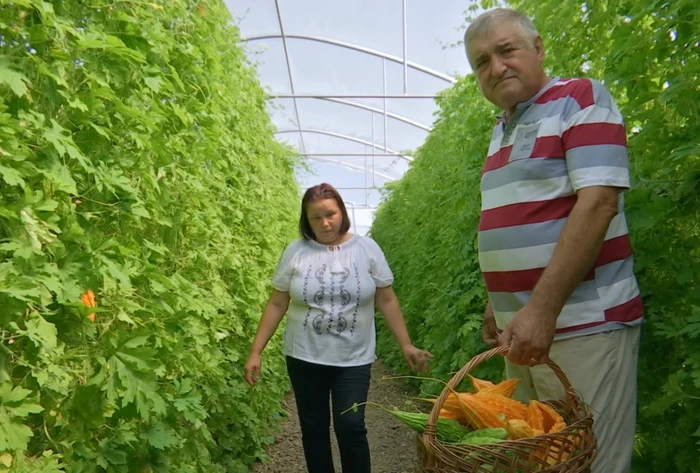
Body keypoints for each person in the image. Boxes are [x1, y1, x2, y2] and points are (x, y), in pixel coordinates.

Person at [463, 8, 643, 473]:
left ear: (538, 49)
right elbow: (520, 219)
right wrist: (497, 299)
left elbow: (599, 203)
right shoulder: (500, 130)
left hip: (583, 325)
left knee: (589, 461)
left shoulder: (579, 99)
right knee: (536, 459)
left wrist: (541, 309)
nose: (496, 67)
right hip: (520, 330)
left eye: (506, 51)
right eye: (481, 62)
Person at [243, 183, 432, 473]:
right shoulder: (296, 251)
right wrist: (256, 351)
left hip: (353, 358)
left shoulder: (366, 248)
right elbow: (277, 303)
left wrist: (406, 344)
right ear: (306, 220)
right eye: (315, 217)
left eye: (330, 214)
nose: (324, 223)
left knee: (351, 425)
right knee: (314, 428)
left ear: (342, 212)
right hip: (304, 355)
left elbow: (386, 298)